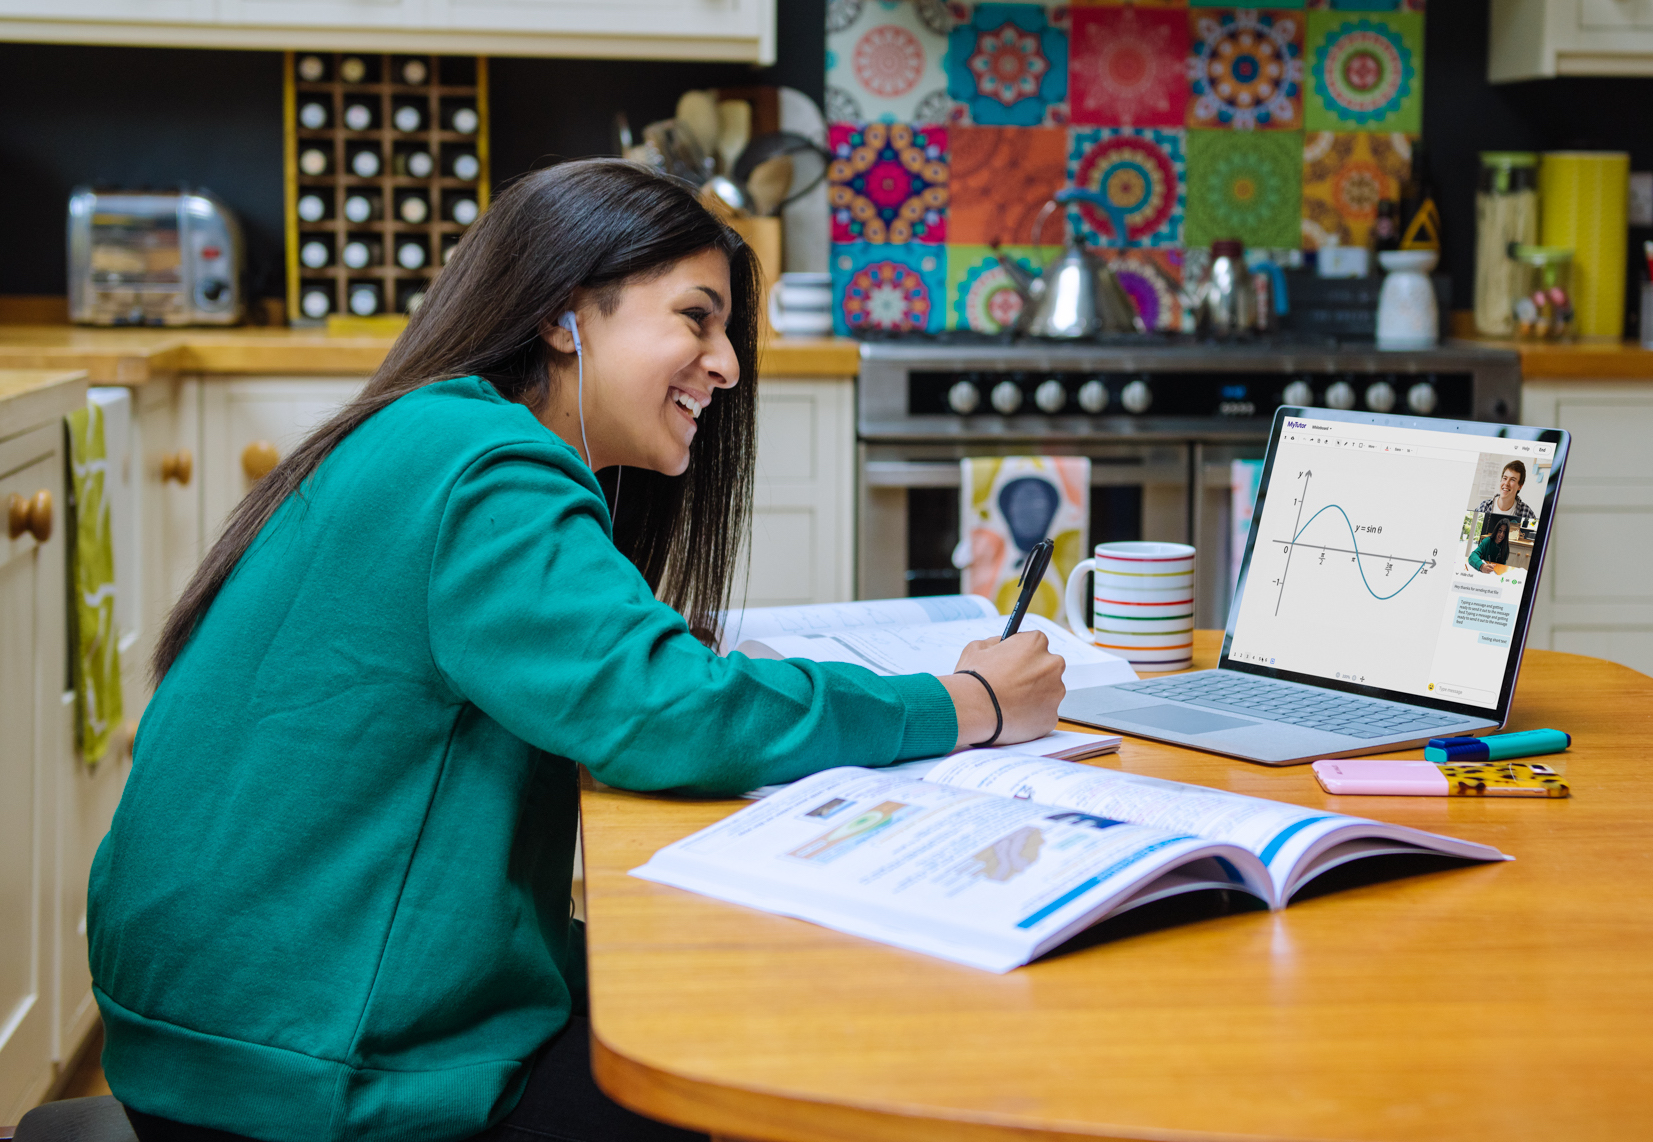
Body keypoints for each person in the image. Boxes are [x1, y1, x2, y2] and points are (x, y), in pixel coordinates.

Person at [87, 161, 1066, 1142]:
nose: (725, 364)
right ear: (564, 314)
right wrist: (966, 699)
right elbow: (671, 712)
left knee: (698, 972)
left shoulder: (432, 430)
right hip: (305, 1060)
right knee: (753, 1042)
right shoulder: (488, 464)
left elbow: (606, 684)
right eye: (695, 317)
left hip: (240, 1008)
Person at [1475, 459, 1535, 529]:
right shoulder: (1484, 506)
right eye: (1505, 478)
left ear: (1520, 486)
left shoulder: (1527, 513)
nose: (1506, 483)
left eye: (1512, 479)